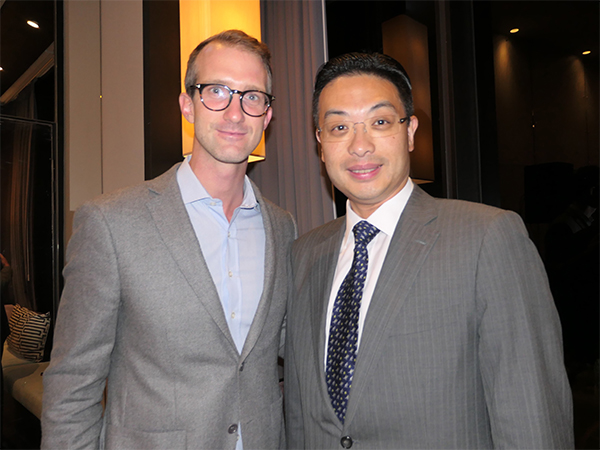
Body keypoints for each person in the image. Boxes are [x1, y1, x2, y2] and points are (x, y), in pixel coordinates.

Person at [284, 52, 573, 449]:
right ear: (321, 143)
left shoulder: (486, 237)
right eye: (339, 127)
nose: (360, 146)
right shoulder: (303, 254)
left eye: (380, 122)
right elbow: (300, 413)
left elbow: (531, 413)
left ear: (410, 131)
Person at [42, 30, 296, 450]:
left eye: (252, 96)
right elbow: (73, 382)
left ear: (266, 116)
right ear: (187, 105)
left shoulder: (282, 227)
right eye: (217, 91)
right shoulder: (111, 222)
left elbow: (288, 343)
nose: (235, 113)